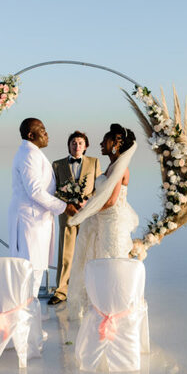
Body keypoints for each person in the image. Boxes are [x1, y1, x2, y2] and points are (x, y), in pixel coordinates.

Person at [66, 124, 139, 318]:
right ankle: (101, 306)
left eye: (105, 140)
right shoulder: (111, 166)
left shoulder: (121, 168)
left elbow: (111, 201)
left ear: (116, 144)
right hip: (101, 222)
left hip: (113, 224)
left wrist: (87, 210)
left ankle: (115, 308)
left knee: (111, 263)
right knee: (97, 261)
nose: (100, 143)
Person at [7, 118, 79, 296]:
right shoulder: (29, 155)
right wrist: (64, 207)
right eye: (42, 130)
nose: (47, 134)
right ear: (31, 135)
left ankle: (28, 311)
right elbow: (35, 191)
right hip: (30, 219)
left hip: (37, 219)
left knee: (35, 268)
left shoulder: (32, 152)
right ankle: (25, 312)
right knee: (29, 270)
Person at [48, 131, 102, 305]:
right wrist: (66, 204)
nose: (76, 146)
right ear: (68, 145)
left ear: (85, 146)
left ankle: (87, 290)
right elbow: (53, 190)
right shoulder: (57, 164)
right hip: (67, 213)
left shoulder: (94, 162)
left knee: (88, 251)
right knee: (66, 252)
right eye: (73, 143)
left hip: (88, 213)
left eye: (80, 143)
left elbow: (99, 188)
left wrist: (86, 202)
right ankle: (61, 290)